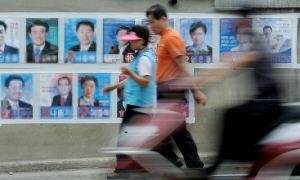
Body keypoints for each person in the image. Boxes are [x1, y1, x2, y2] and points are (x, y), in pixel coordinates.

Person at [146, 4, 207, 169]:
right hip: (164, 89)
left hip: (170, 90)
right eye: (148, 22)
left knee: (170, 132)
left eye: (152, 22)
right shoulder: (165, 37)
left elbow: (183, 66)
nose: (150, 26)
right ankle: (189, 165)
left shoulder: (171, 37)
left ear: (163, 19)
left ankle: (186, 164)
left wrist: (196, 91)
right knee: (175, 132)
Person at [103, 25, 156, 179]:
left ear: (141, 40)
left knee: (124, 137)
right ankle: (144, 167)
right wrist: (114, 86)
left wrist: (129, 72)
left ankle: (122, 170)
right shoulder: (141, 56)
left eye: (133, 40)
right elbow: (132, 81)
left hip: (139, 105)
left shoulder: (144, 58)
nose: (130, 43)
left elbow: (145, 82)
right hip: (140, 104)